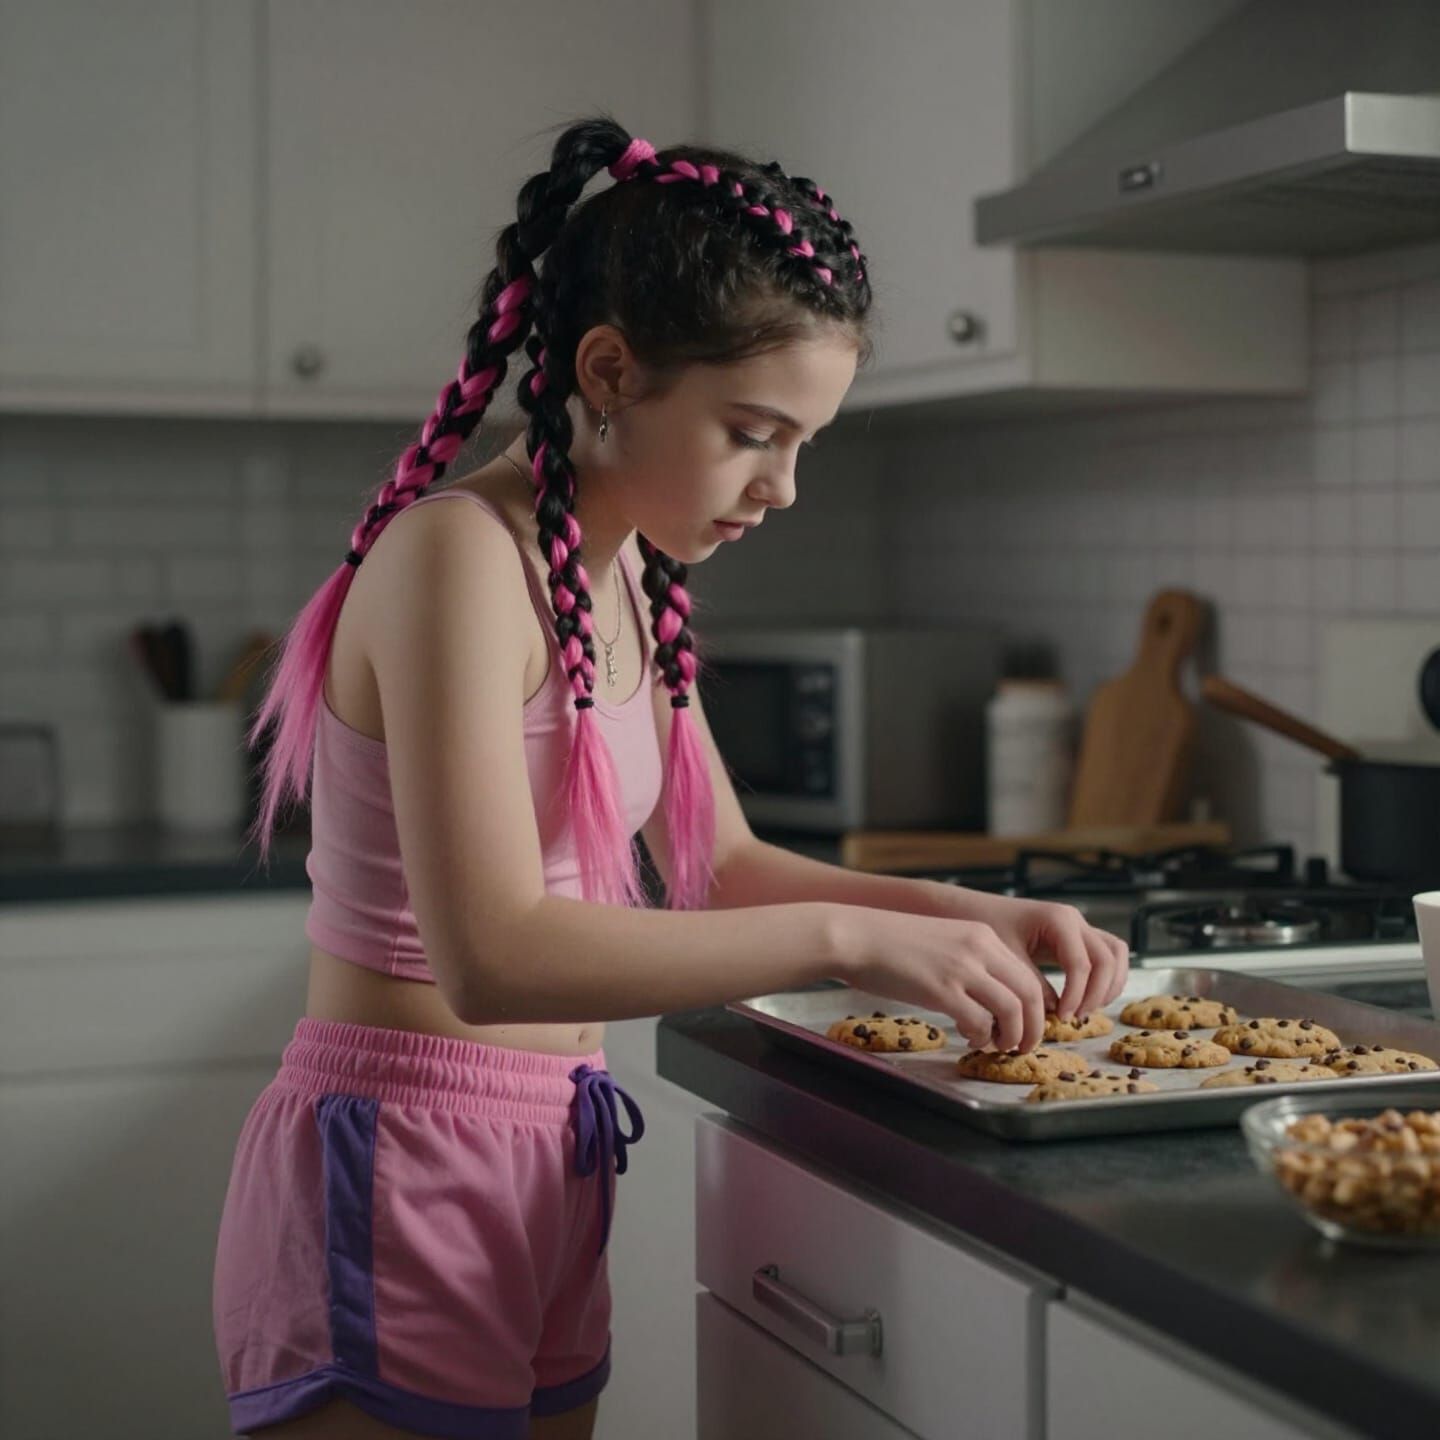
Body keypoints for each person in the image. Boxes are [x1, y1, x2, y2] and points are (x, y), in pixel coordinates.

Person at [211, 114, 1130, 1440]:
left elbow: (721, 868)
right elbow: (491, 954)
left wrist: (969, 915)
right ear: (609, 370)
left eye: (805, 441)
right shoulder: (459, 561)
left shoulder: (627, 573)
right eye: (757, 431)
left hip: (552, 1152)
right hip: (401, 1164)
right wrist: (852, 936)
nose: (787, 485)